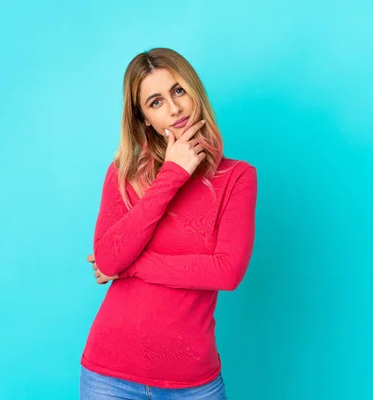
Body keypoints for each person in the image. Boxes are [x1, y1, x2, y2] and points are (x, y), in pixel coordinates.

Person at [79, 47, 257, 399]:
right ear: (143, 118)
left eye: (178, 91)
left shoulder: (237, 177)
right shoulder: (123, 174)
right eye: (155, 102)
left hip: (192, 381)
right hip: (109, 374)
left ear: (194, 91)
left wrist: (130, 268)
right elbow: (109, 259)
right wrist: (173, 174)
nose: (174, 109)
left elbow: (227, 272)